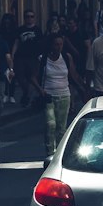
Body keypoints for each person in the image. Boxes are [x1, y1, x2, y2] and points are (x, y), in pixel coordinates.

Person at [31, 31, 85, 159]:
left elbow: (72, 76)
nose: (58, 47)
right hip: (49, 96)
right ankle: (50, 153)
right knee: (50, 124)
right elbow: (33, 77)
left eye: (60, 44)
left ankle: (59, 155)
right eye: (56, 44)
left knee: (61, 128)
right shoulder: (43, 59)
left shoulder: (66, 57)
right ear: (51, 45)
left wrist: (82, 88)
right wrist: (40, 90)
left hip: (64, 95)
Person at [12, 10, 43, 105]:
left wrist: (41, 55)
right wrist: (12, 54)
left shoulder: (37, 30)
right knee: (20, 77)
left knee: (32, 77)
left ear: (34, 18)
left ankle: (27, 96)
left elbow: (41, 43)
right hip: (21, 56)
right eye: (27, 16)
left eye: (31, 16)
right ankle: (26, 92)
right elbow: (16, 42)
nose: (29, 18)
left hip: (33, 57)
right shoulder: (20, 29)